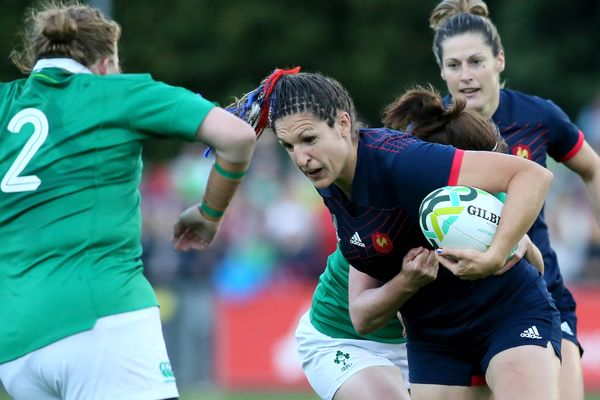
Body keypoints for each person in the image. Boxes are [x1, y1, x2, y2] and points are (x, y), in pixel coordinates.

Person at [229, 67, 561, 400]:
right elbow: (363, 317)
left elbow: (532, 179)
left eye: (309, 139)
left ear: (344, 125)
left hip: (501, 313)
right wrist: (407, 281)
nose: (301, 158)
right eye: (289, 146)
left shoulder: (404, 163)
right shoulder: (332, 178)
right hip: (424, 333)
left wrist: (496, 252)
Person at [0, 3, 256, 400]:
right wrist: (209, 214)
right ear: (104, 63)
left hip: (15, 345)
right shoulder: (117, 93)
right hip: (102, 318)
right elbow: (237, 137)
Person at [429, 1, 600, 397]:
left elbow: (592, 168)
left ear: (500, 60)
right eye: (454, 65)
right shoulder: (424, 128)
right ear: (441, 70)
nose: (466, 76)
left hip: (541, 292)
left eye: (477, 62)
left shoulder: (538, 116)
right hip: (457, 307)